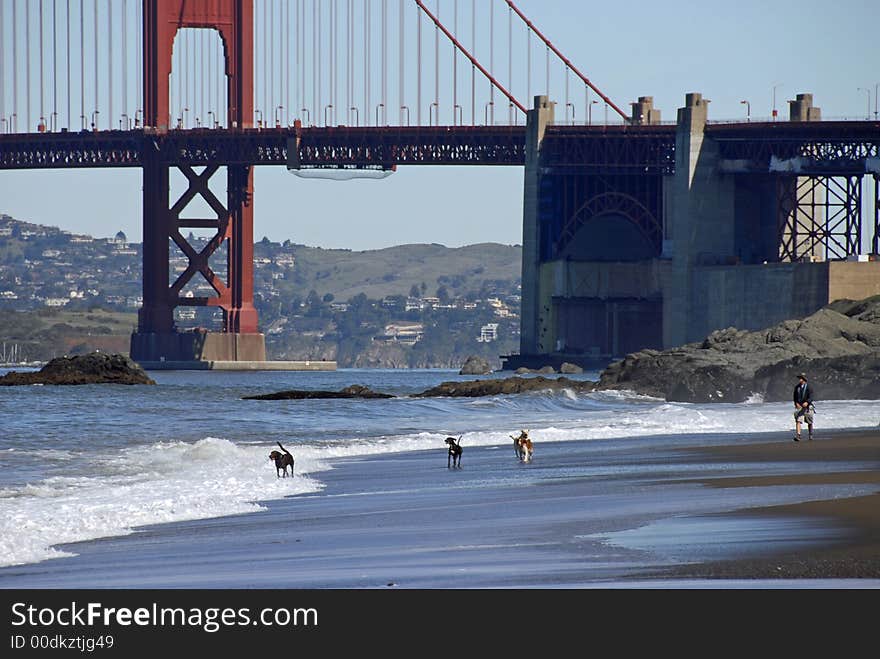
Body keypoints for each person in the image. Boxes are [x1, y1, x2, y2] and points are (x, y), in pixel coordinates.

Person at [792, 372, 814, 442]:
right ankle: (798, 435)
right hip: (800, 407)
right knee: (798, 420)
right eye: (799, 378)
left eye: (800, 378)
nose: (799, 380)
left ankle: (810, 434)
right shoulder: (797, 387)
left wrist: (807, 402)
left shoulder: (809, 387)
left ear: (804, 379)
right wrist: (796, 403)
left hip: (808, 406)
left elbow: (811, 397)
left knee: (809, 421)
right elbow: (795, 397)